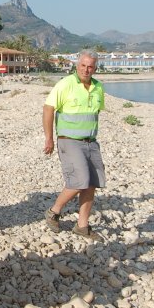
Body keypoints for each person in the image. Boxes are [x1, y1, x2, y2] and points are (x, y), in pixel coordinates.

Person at [42, 49, 106, 242]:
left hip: (91, 142)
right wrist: (49, 138)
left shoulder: (98, 87)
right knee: (80, 180)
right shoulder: (65, 84)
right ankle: (54, 211)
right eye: (83, 65)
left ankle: (82, 226)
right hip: (69, 140)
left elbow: (95, 114)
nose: (86, 70)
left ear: (95, 68)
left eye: (90, 67)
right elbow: (48, 109)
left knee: (92, 183)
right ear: (77, 66)